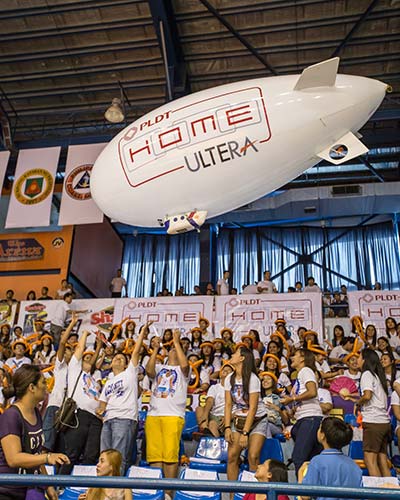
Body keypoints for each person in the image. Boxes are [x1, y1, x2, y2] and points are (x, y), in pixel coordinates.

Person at [0, 364, 69, 500]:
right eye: (43, 382)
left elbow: (35, 455)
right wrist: (48, 457)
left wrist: (48, 485)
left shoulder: (35, 412)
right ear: (31, 388)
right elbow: (14, 459)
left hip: (26, 487)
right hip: (6, 490)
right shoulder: (11, 416)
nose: (47, 386)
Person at [96, 322, 150, 473]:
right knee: (104, 457)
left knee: (119, 457)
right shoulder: (108, 381)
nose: (118, 359)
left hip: (125, 419)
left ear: (127, 365)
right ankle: (104, 490)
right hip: (108, 420)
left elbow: (136, 351)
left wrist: (142, 332)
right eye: (116, 358)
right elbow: (102, 404)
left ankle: (116, 489)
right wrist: (100, 411)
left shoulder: (130, 374)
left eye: (121, 359)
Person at [145, 329, 190, 498]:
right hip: (153, 415)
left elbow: (184, 365)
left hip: (173, 415)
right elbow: (148, 370)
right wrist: (155, 349)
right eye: (170, 348)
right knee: (155, 456)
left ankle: (169, 493)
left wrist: (177, 342)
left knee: (170, 457)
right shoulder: (159, 367)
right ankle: (156, 494)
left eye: (175, 349)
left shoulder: (183, 370)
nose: (171, 349)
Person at [59, 331, 103, 475]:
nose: (89, 361)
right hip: (79, 415)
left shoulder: (94, 380)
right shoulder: (75, 370)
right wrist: (84, 333)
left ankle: (83, 489)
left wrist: (99, 346)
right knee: (72, 453)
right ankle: (59, 487)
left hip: (96, 419)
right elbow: (79, 350)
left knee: (91, 456)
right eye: (86, 359)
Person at [224, 345, 268, 481]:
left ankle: (255, 494)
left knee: (253, 456)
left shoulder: (253, 379)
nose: (232, 355)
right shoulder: (229, 378)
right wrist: (226, 427)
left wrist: (245, 433)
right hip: (239, 419)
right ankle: (232, 495)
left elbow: (253, 408)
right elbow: (228, 404)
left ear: (242, 358)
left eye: (235, 353)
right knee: (232, 456)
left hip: (257, 419)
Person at [348, 349, 391, 477]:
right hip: (384, 422)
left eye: (359, 357)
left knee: (370, 461)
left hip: (373, 422)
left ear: (365, 360)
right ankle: (390, 494)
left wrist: (357, 403)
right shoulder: (378, 376)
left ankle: (377, 493)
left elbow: (367, 395)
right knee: (382, 461)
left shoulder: (366, 374)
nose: (357, 360)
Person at [280, 348, 323, 477]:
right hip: (304, 419)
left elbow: (312, 392)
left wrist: (292, 398)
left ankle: (303, 493)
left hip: (310, 418)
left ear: (303, 358)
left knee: (299, 458)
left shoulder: (306, 371)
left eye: (295, 355)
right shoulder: (300, 375)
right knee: (311, 459)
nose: (291, 358)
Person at [300, 417, 362, 500]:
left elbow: (305, 495)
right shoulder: (353, 465)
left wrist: (301, 473)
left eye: (320, 428)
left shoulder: (317, 462)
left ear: (322, 435)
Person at [43, 314, 78, 452]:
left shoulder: (76, 369)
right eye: (66, 351)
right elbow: (62, 342)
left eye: (70, 351)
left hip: (69, 410)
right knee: (47, 443)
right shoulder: (60, 366)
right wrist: (72, 323)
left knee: (62, 447)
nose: (67, 353)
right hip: (55, 405)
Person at [196, 362, 234, 437]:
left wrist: (229, 417)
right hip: (214, 414)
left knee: (212, 424)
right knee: (199, 409)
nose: (225, 371)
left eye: (229, 370)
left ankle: (208, 435)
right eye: (224, 370)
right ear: (220, 374)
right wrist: (205, 415)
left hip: (226, 416)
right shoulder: (214, 387)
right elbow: (210, 401)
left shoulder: (235, 389)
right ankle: (204, 428)